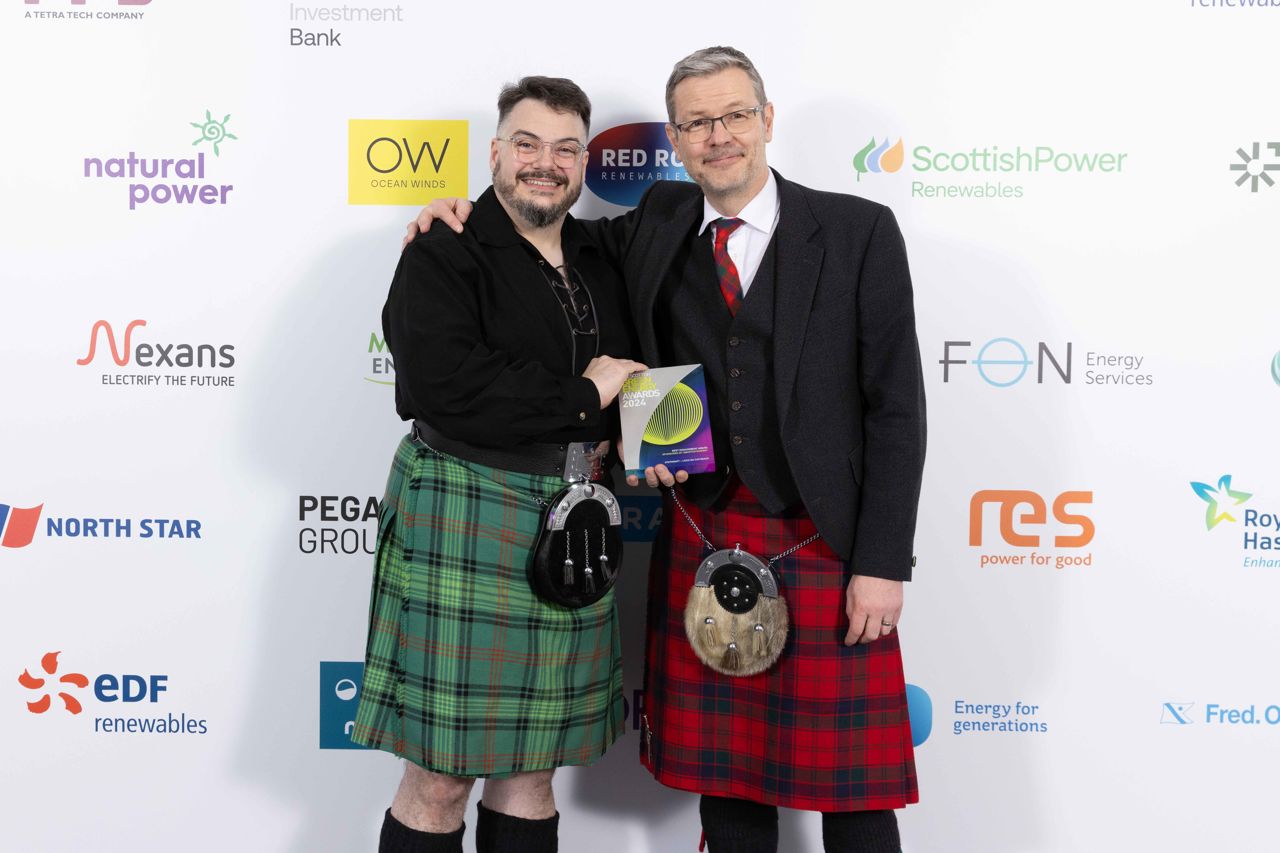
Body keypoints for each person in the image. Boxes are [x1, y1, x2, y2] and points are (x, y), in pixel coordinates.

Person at [410, 46, 925, 853]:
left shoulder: (859, 231)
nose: (718, 136)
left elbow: (897, 407)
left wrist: (884, 560)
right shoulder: (654, 225)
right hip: (704, 528)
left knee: (854, 799)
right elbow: (545, 236)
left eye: (733, 116)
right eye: (695, 123)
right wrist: (460, 216)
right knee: (727, 785)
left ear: (766, 120)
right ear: (675, 143)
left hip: (828, 539)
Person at [354, 76, 645, 853]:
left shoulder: (602, 252)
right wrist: (585, 394)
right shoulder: (444, 250)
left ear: (583, 162)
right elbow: (447, 385)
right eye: (526, 143)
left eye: (565, 148)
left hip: (577, 515)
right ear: (494, 153)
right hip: (466, 511)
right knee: (441, 777)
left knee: (531, 772)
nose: (543, 163)